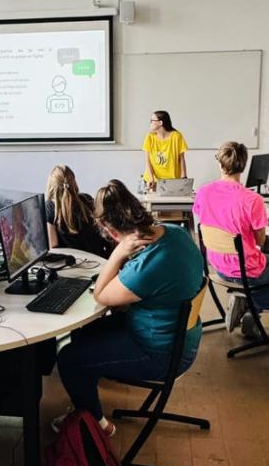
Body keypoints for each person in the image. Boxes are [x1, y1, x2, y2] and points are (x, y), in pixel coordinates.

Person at [53, 180, 205, 436]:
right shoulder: (173, 233)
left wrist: (118, 254)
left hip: (161, 353)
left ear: (111, 232)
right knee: (82, 333)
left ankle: (99, 426)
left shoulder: (148, 265)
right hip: (177, 337)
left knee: (69, 359)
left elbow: (101, 295)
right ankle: (86, 405)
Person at [192, 142, 269, 330]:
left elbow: (203, 223)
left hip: (217, 266)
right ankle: (252, 304)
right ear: (243, 166)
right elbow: (260, 241)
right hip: (248, 270)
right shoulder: (252, 200)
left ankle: (248, 307)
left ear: (220, 164)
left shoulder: (203, 192)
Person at [44, 165, 113, 258]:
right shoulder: (87, 199)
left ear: (52, 185)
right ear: (74, 182)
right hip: (99, 259)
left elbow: (54, 248)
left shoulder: (50, 208)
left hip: (75, 265)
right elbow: (105, 232)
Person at [141, 110, 188, 191]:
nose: (150, 123)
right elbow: (147, 161)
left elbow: (181, 159)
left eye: (152, 120)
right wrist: (151, 178)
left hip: (172, 181)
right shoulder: (149, 137)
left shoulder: (176, 136)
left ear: (160, 123)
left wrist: (184, 177)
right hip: (153, 181)